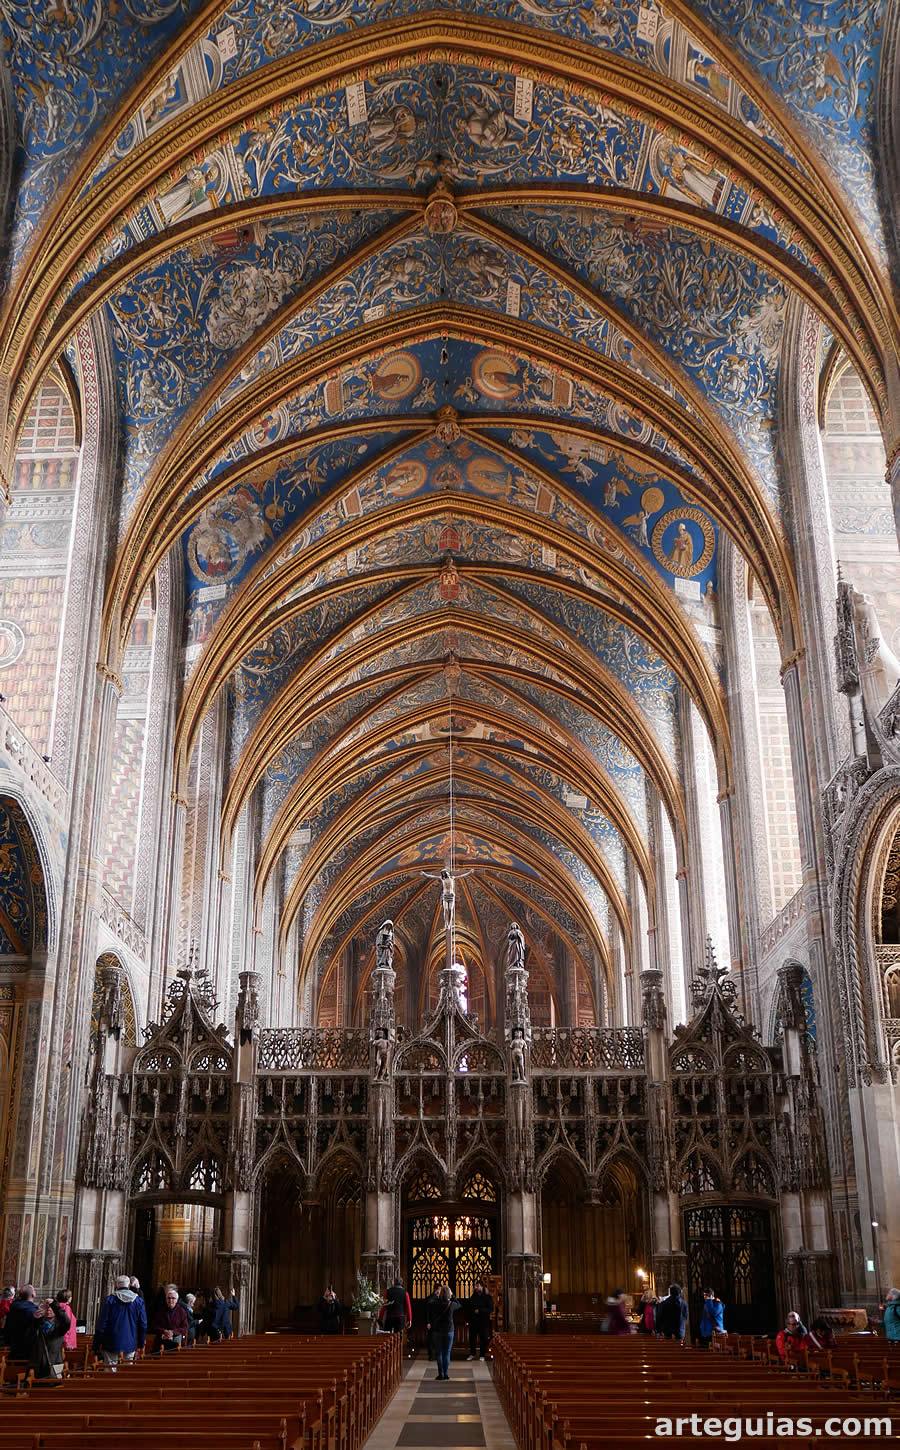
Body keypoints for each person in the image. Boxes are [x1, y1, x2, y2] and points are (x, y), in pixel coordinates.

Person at [93, 1274, 147, 1367]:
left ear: (116, 1285)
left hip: (111, 1341)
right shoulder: (138, 1301)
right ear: (129, 1286)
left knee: (110, 1371)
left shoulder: (110, 1300)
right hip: (130, 1341)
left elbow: (102, 1324)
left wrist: (97, 1344)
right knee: (126, 1372)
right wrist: (141, 1344)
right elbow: (143, 1324)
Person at [28, 1297, 69, 1379]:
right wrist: (35, 1320)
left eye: (51, 1307)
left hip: (54, 1364)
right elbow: (29, 1337)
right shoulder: (37, 1323)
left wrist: (55, 1304)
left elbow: (67, 1321)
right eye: (46, 1307)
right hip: (38, 1365)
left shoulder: (59, 1326)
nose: (49, 1309)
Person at [428, 1284, 460, 1380]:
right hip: (449, 1330)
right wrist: (453, 1295)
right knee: (447, 1353)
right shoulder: (451, 1304)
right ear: (449, 1294)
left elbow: (429, 1303)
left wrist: (437, 1295)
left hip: (438, 1330)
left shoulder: (435, 1303)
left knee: (439, 1353)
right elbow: (459, 1304)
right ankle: (446, 1374)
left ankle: (440, 1374)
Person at [151, 1284, 190, 1351]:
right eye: (168, 1298)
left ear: (177, 1300)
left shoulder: (181, 1311)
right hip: (162, 1342)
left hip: (176, 1342)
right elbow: (155, 1326)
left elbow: (185, 1328)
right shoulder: (161, 1311)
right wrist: (164, 1331)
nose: (170, 1300)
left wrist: (173, 1332)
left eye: (173, 1298)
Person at [4, 1285, 39, 1359]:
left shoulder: (13, 1308)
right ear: (33, 1294)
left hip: (13, 1348)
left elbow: (7, 1328)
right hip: (29, 1350)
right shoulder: (34, 1311)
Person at [466, 1281, 494, 1360]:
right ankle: (472, 1353)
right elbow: (469, 1306)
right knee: (472, 1338)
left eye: (478, 1286)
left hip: (483, 1322)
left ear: (482, 1287)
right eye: (476, 1286)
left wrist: (480, 1310)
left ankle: (482, 1355)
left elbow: (490, 1309)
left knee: (483, 1339)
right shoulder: (473, 1296)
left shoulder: (487, 1297)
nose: (476, 1287)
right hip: (473, 1321)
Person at [425, 1288, 440, 1360]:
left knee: (436, 1339)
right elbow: (427, 1312)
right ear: (436, 1290)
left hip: (437, 1322)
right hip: (432, 1322)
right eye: (440, 1289)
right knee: (431, 1339)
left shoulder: (439, 1298)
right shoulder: (431, 1298)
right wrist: (428, 1322)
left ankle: (435, 1355)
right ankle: (431, 1356)